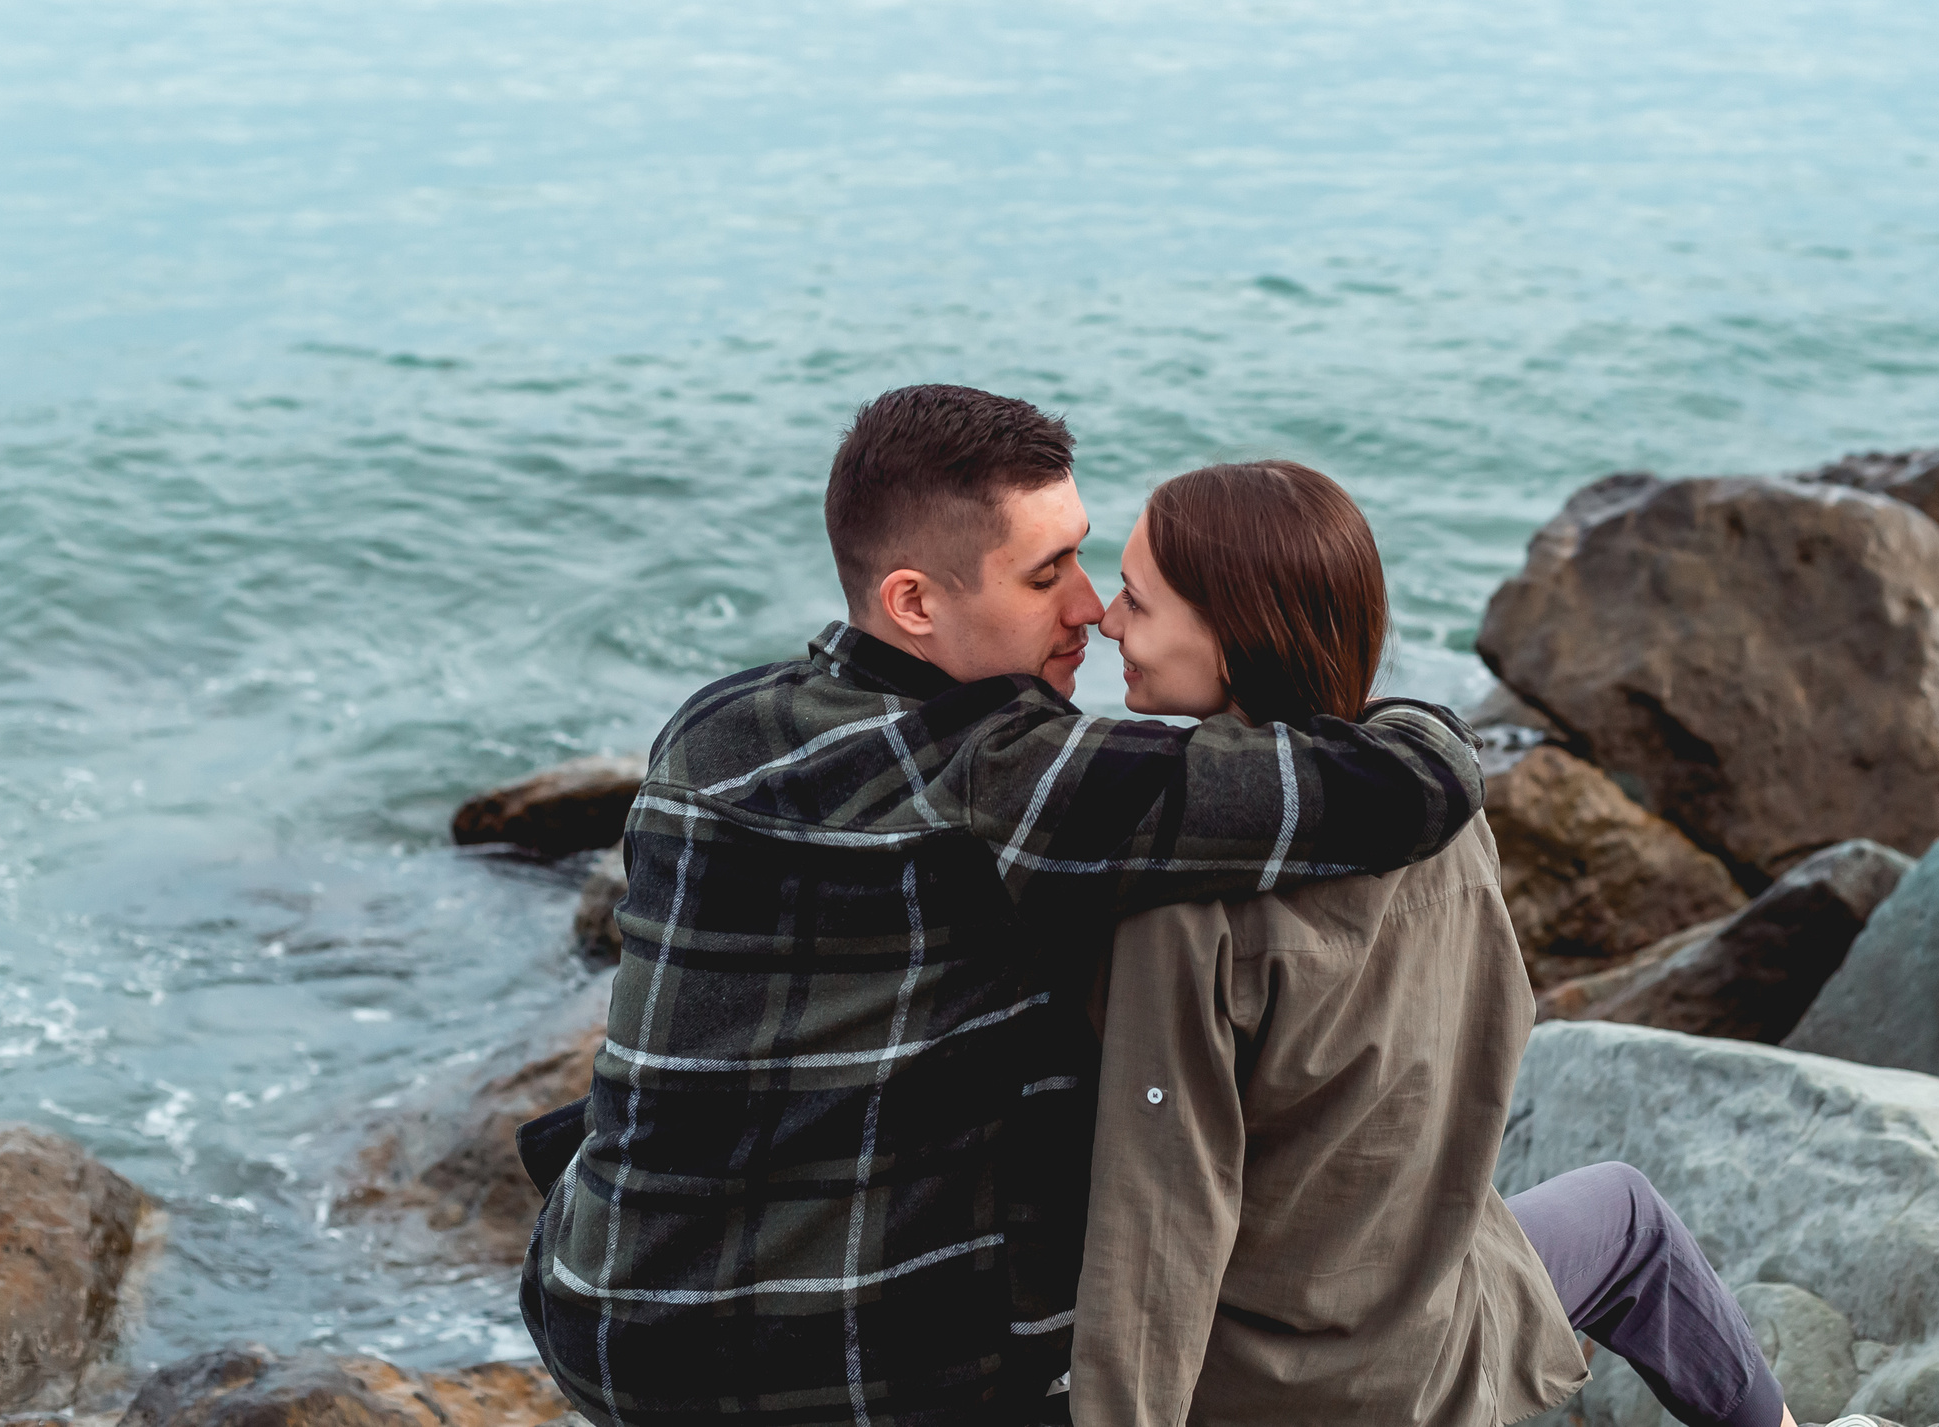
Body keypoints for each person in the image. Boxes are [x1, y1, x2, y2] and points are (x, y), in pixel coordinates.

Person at [516, 387, 1487, 1427]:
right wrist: (1421, 721)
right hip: (830, 1371)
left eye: (1081, 558)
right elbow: (1404, 790)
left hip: (593, 1304)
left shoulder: (714, 727)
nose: (1086, 609)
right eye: (1044, 574)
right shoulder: (1009, 779)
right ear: (914, 603)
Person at [1071, 460, 1794, 1427]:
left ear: (1234, 644)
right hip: (1429, 1340)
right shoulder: (1444, 822)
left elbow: (1160, 1228)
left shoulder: (1180, 904)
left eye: (1136, 598)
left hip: (1279, 1392)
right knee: (1627, 1215)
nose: (1107, 618)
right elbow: (1495, 1035)